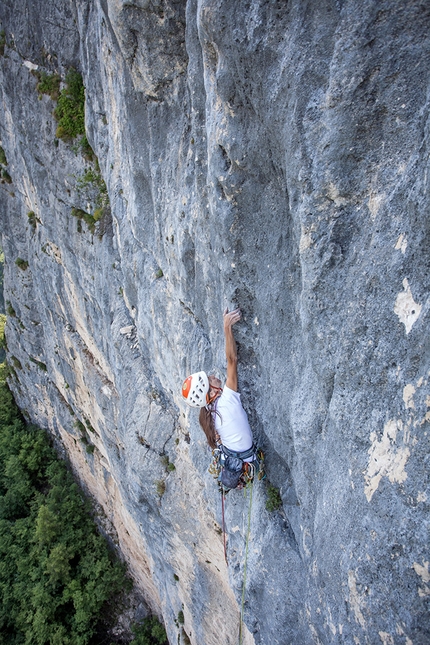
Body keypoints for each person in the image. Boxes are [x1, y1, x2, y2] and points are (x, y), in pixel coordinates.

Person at [182, 308, 257, 488]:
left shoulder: (209, 412)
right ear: (211, 391)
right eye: (210, 379)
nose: (214, 376)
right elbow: (232, 360)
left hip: (237, 458)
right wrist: (227, 328)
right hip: (249, 461)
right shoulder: (227, 402)